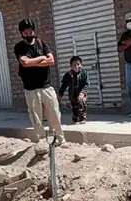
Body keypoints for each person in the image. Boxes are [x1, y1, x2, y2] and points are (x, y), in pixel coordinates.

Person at [13, 18, 63, 154]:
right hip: (30, 89)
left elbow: (51, 60)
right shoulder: (19, 47)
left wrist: (33, 61)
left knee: (54, 114)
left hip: (46, 86)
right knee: (36, 118)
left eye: (30, 32)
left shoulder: (42, 43)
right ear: (21, 33)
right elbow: (25, 62)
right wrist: (41, 59)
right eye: (25, 32)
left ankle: (59, 138)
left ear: (33, 31)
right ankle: (42, 141)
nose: (28, 34)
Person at [57, 55, 89, 124]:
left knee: (82, 104)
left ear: (81, 64)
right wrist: (60, 95)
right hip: (72, 94)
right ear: (71, 66)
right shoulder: (68, 75)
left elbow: (86, 84)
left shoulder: (84, 73)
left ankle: (82, 117)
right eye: (74, 65)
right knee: (74, 106)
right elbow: (63, 86)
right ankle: (75, 117)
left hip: (81, 93)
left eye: (78, 64)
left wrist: (83, 93)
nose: (76, 67)